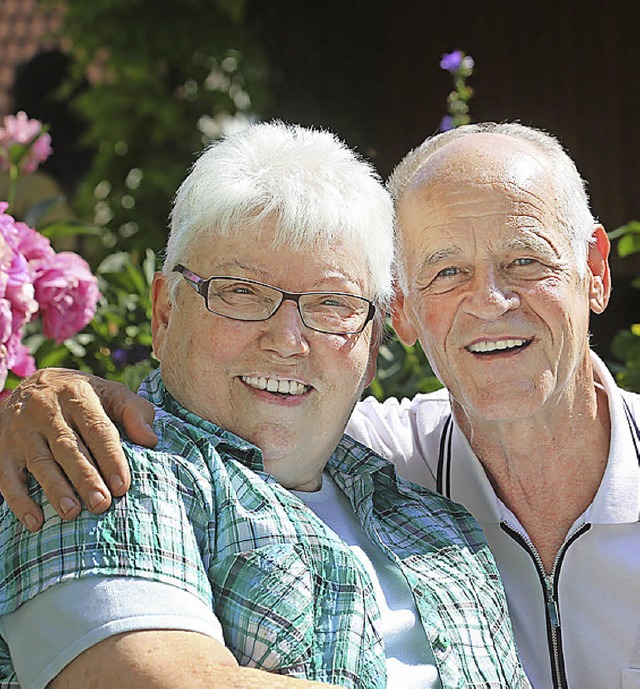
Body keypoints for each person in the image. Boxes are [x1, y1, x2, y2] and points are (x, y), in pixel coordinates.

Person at [0, 121, 529, 689]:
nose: (287, 340)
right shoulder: (94, 461)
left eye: (332, 304)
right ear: (164, 314)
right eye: (242, 292)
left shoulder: (439, 528)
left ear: (373, 346)